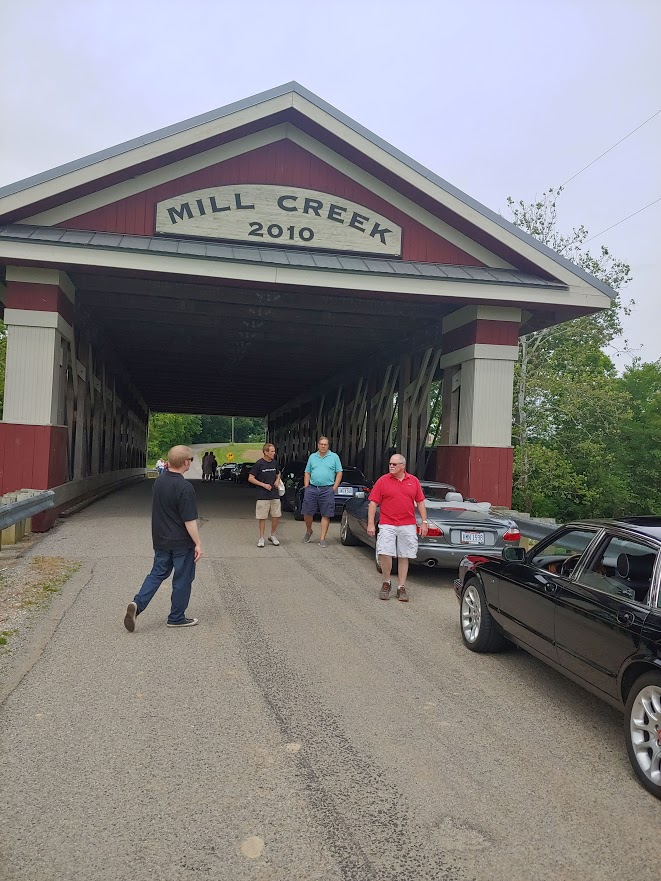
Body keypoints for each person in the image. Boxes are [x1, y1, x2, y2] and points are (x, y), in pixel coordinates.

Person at [123, 445, 203, 631]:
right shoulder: (185, 487)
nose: (191, 461)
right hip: (181, 543)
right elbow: (189, 520)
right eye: (190, 459)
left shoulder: (159, 481)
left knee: (157, 573)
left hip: (160, 539)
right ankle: (176, 617)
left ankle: (138, 604)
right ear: (185, 462)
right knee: (182, 578)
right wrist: (198, 543)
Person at [367, 453, 428, 603]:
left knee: (404, 555)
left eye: (394, 464)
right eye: (390, 464)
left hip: (407, 524)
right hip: (387, 523)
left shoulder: (413, 481)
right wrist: (370, 523)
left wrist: (424, 522)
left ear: (402, 466)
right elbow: (373, 503)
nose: (391, 466)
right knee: (385, 553)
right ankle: (386, 582)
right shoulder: (383, 481)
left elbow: (420, 502)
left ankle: (401, 587)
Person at [301, 436, 342, 548]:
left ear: (328, 446)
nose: (323, 446)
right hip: (313, 488)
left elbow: (339, 472)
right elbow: (307, 472)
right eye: (321, 444)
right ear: (318, 445)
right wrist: (306, 486)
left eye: (325, 444)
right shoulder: (312, 457)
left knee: (326, 513)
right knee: (307, 512)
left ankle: (322, 538)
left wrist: (334, 487)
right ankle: (309, 531)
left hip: (327, 489)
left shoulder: (334, 457)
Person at [248, 443, 281, 547]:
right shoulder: (259, 464)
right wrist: (263, 485)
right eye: (271, 451)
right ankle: (261, 538)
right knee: (262, 517)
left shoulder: (275, 463)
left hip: (274, 494)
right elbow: (250, 478)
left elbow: (278, 473)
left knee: (276, 515)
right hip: (263, 495)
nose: (274, 453)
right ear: (266, 452)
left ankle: (273, 535)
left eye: (274, 451)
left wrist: (277, 480)